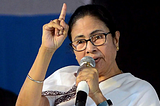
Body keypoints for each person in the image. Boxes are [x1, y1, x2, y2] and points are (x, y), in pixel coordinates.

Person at [16, 3, 160, 106]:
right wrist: (46, 49)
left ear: (116, 40)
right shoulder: (63, 76)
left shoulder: (140, 92)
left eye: (97, 37)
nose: (89, 48)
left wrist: (97, 96)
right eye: (80, 41)